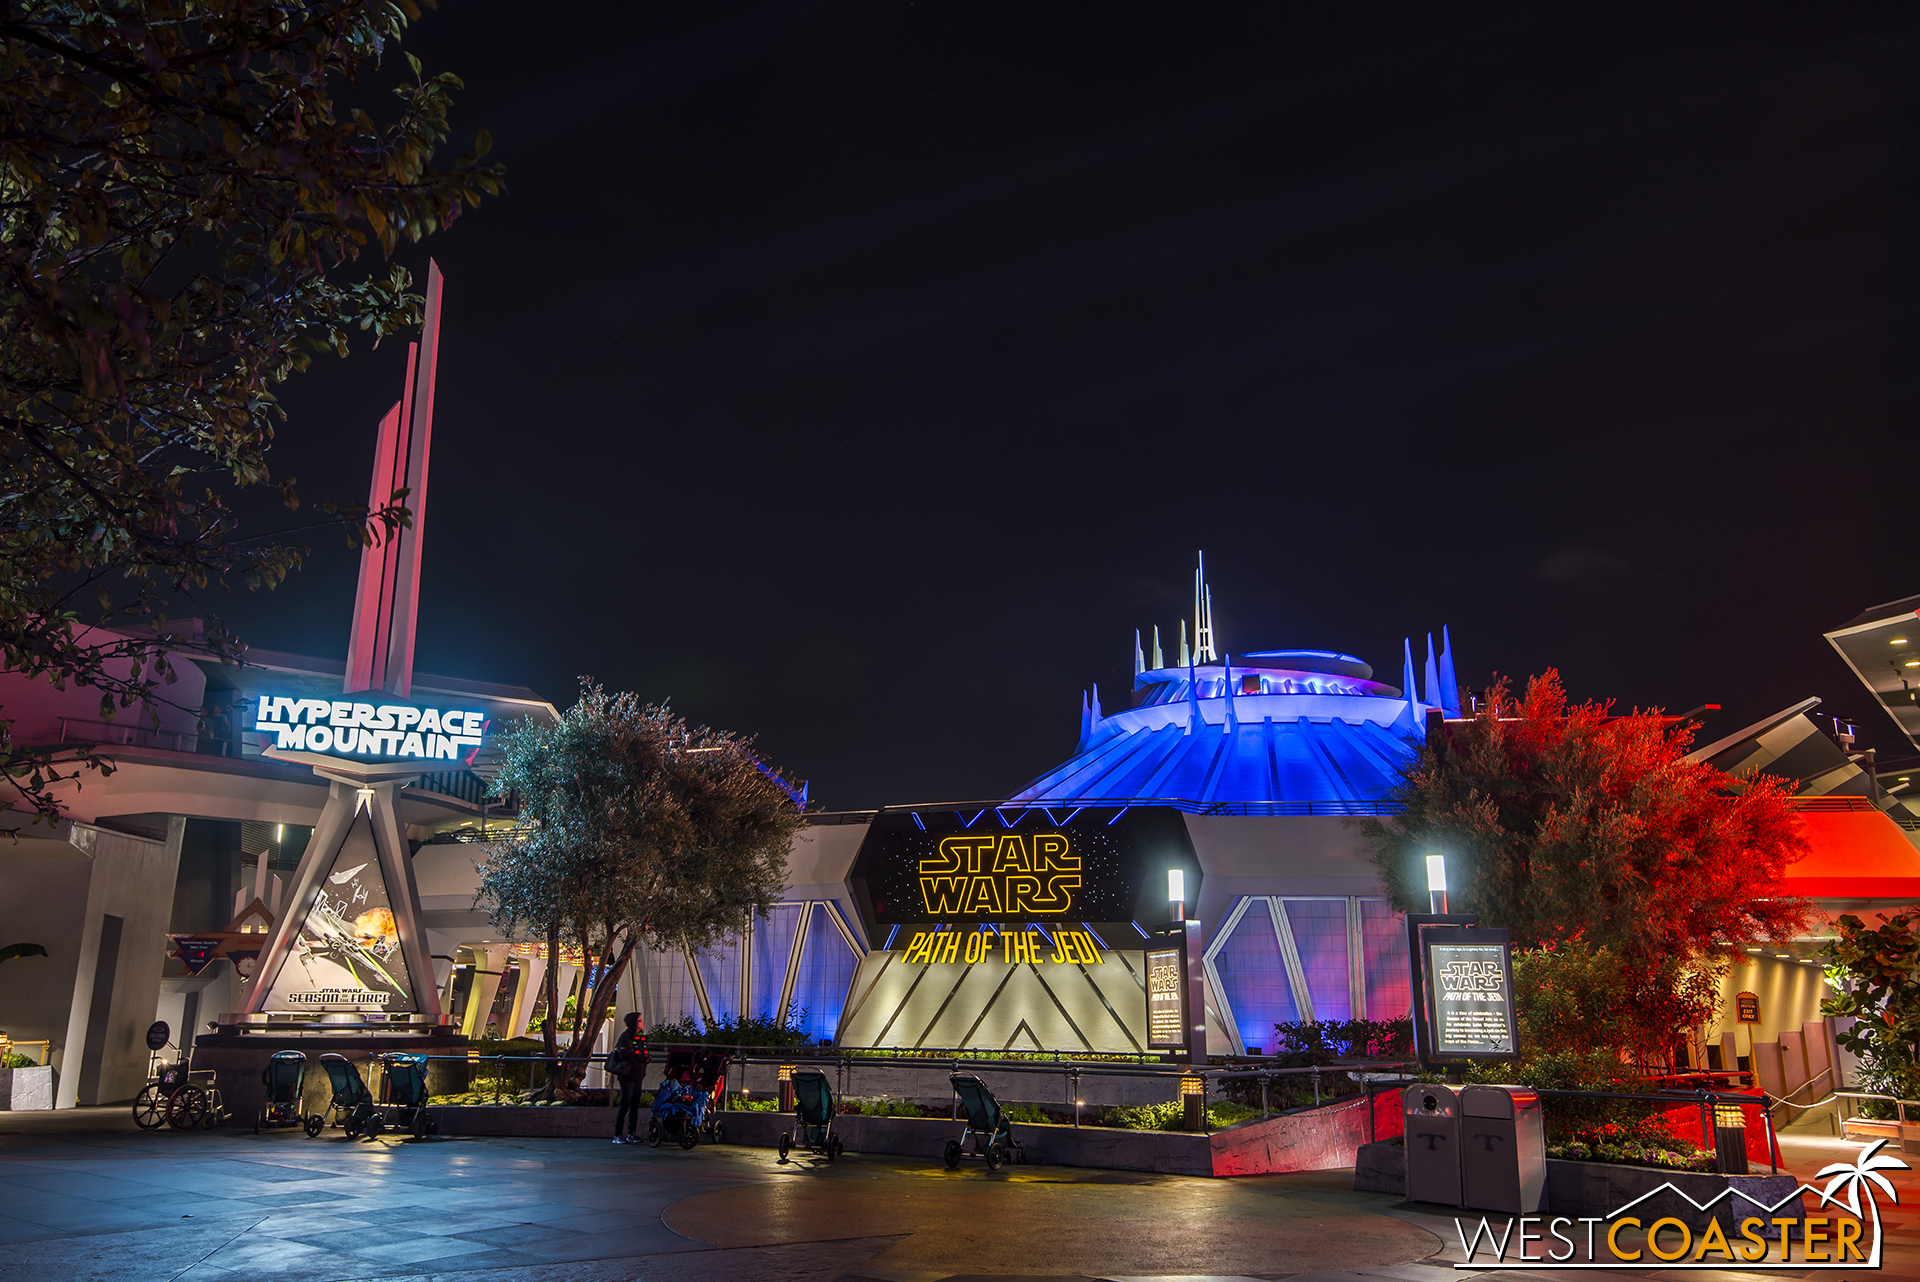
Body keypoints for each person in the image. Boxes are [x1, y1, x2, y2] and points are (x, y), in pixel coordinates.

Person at [610, 1012, 649, 1144]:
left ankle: (631, 1133)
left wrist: (645, 1058)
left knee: (634, 1105)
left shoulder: (639, 1037)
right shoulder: (626, 1037)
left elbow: (643, 1051)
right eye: (639, 1020)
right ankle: (617, 1134)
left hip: (638, 1075)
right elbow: (624, 1054)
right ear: (634, 1023)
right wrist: (639, 1058)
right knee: (625, 1104)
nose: (642, 1022)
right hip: (628, 1076)